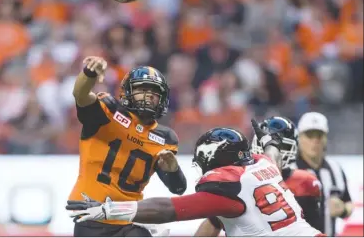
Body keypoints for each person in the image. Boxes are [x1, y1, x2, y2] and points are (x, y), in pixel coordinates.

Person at [66, 122, 325, 236]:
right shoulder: (263, 164)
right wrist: (271, 143)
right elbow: (272, 156)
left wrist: (108, 209)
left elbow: (168, 209)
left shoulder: (228, 188)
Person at [69, 56, 187, 237]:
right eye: (143, 89)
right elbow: (81, 95)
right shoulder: (108, 111)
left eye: (154, 92)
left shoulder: (165, 138)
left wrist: (173, 170)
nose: (149, 96)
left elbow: (178, 188)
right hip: (92, 215)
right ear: (127, 92)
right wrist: (89, 73)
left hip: (130, 219)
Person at [194, 116, 323, 236]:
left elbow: (313, 228)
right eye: (275, 146)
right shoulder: (239, 178)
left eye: (283, 146)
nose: (278, 150)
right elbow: (213, 223)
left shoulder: (303, 182)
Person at [294, 112, 354, 236]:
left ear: (326, 138)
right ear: (299, 138)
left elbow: (348, 201)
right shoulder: (288, 169)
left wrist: (343, 209)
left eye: (319, 135)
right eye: (310, 135)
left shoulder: (335, 169)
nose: (315, 141)